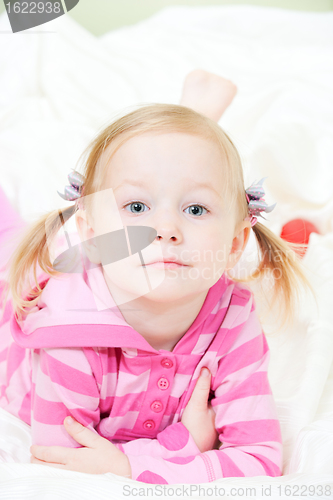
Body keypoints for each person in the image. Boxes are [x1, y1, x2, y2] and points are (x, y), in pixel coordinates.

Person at [0, 70, 314, 484]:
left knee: (165, 179)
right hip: (42, 284)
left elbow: (259, 459)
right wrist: (184, 443)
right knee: (13, 246)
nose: (166, 229)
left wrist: (126, 463)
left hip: (117, 254)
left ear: (236, 244)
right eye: (136, 206)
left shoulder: (233, 317)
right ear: (90, 231)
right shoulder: (70, 332)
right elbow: (63, 463)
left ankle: (188, 129)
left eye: (196, 210)